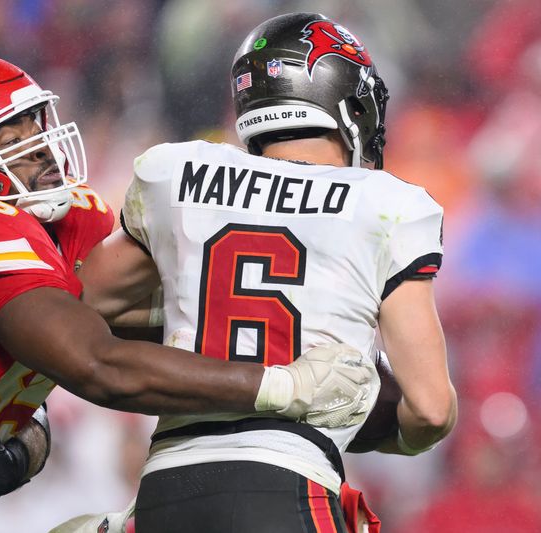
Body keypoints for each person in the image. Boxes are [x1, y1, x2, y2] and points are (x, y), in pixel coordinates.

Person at [0, 56, 378, 533]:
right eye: (10, 135)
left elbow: (181, 307)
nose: (41, 147)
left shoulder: (57, 219)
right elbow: (96, 364)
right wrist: (286, 385)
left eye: (37, 124)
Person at [65, 12, 458, 532]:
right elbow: (430, 409)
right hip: (287, 479)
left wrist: (192, 314)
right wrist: (378, 421)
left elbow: (79, 301)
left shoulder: (178, 175)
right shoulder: (388, 205)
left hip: (165, 489)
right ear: (345, 100)